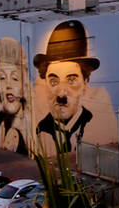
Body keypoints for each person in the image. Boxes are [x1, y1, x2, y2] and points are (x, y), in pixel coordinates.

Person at [34, 20, 100, 153]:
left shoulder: (95, 125)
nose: (62, 94)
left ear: (85, 83)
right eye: (53, 81)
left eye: (71, 81)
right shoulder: (41, 130)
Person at [0, 38, 32, 155]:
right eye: (2, 78)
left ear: (25, 82)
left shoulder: (30, 125)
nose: (8, 86)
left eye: (15, 78)